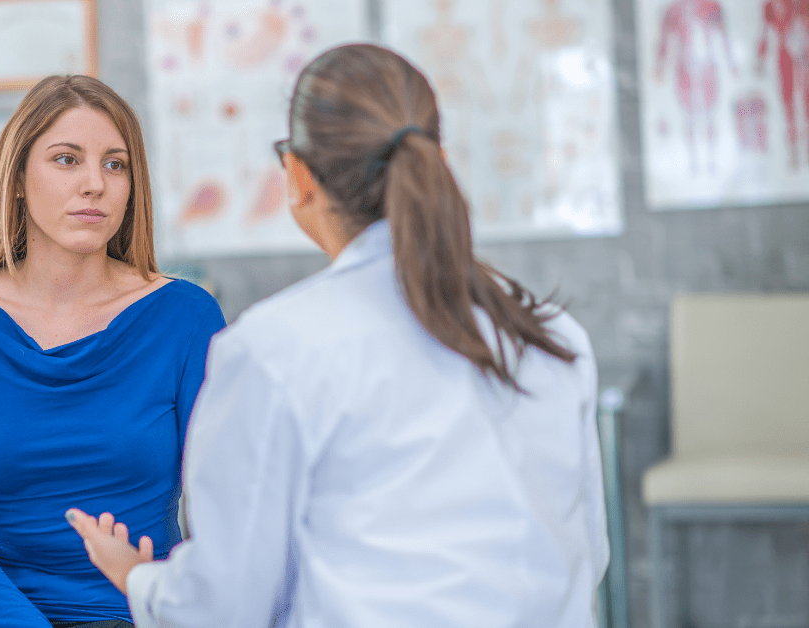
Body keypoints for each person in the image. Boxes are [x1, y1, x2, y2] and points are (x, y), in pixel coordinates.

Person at [67, 43, 608, 628]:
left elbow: (226, 607)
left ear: (298, 176)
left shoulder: (275, 351)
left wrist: (135, 577)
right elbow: (586, 555)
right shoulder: (551, 334)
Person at [0, 75, 226, 628]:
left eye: (115, 164)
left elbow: (222, 510)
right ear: (20, 177)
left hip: (133, 608)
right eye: (67, 160)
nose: (94, 184)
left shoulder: (187, 317)